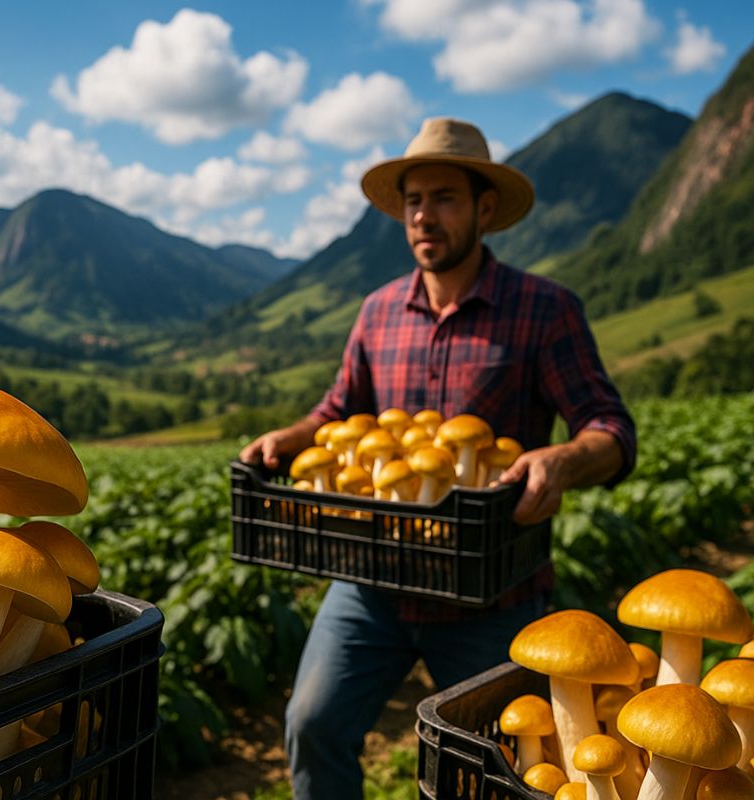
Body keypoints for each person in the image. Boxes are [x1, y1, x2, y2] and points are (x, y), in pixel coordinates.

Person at [238, 117, 637, 799]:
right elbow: (337, 412)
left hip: (493, 590)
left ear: (485, 209)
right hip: (375, 578)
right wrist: (293, 436)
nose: (424, 215)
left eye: (445, 198)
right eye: (413, 200)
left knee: (489, 769)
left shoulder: (544, 310)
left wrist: (563, 461)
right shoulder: (377, 312)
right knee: (312, 726)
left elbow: (611, 427)